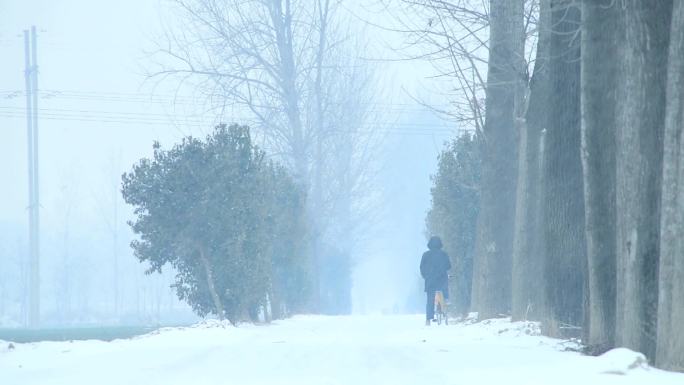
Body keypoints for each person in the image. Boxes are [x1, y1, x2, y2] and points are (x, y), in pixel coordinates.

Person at [420, 236, 451, 325]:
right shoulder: (444, 254)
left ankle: (428, 319)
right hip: (441, 279)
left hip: (430, 280)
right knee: (444, 288)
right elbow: (449, 266)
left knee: (430, 299)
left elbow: (422, 267)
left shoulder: (425, 255)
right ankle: (446, 300)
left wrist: (426, 276)